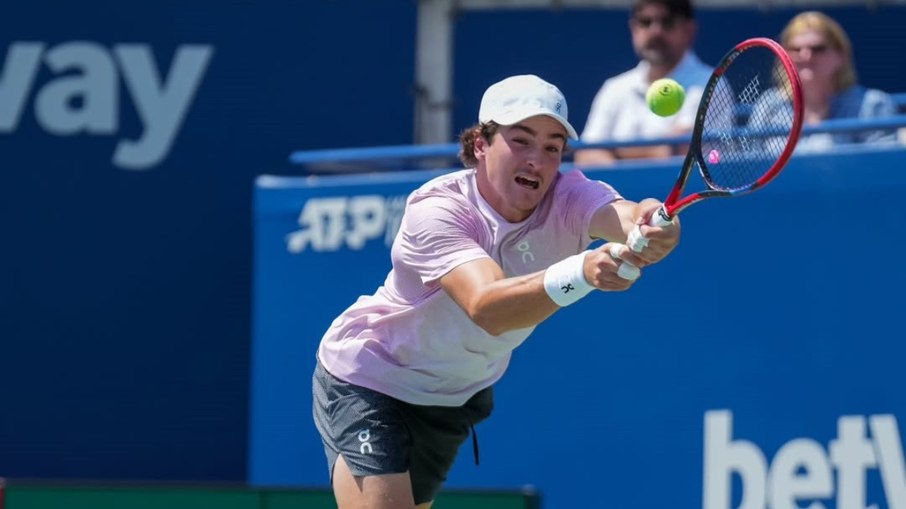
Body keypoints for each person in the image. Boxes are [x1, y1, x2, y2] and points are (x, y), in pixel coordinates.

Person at [312, 74, 681, 509]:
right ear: (481, 144)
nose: (537, 161)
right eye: (521, 141)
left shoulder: (570, 194)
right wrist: (581, 271)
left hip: (453, 399)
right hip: (372, 378)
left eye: (552, 147)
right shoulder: (438, 210)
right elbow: (487, 307)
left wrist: (654, 226)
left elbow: (624, 214)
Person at [575, 0, 712, 166]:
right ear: (633, 28)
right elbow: (585, 155)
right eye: (645, 22)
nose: (655, 31)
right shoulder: (614, 88)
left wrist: (614, 151)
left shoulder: (710, 84)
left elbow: (680, 150)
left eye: (667, 22)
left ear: (689, 30)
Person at [751, 11, 897, 151]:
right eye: (796, 49)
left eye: (817, 48)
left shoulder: (872, 104)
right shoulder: (769, 106)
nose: (806, 56)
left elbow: (884, 168)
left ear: (841, 55)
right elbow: (751, 161)